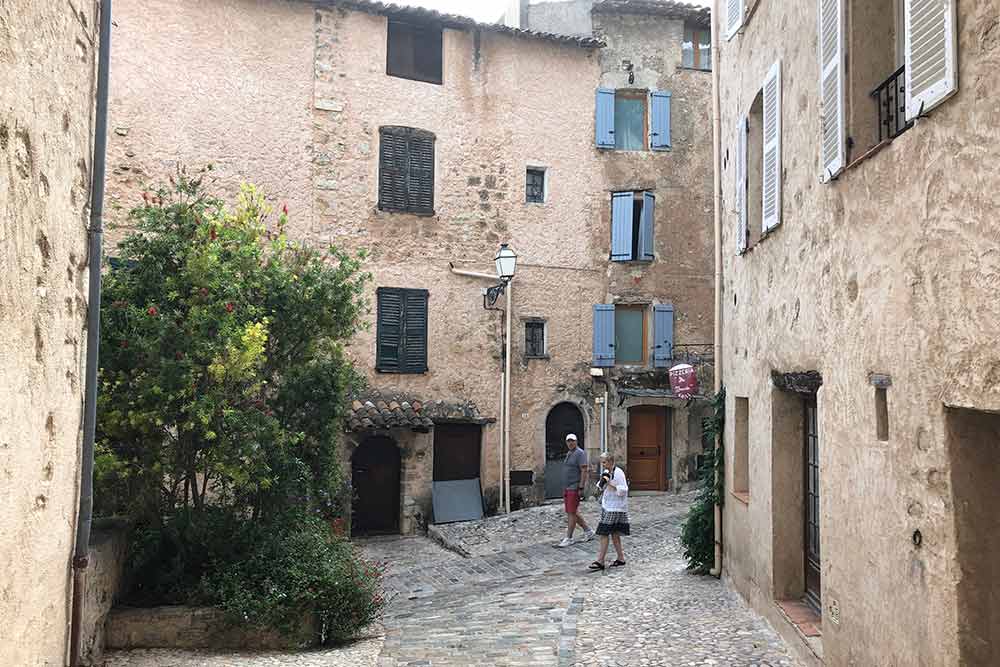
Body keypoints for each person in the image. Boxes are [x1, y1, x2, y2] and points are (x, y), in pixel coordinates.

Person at [588, 452, 629, 571]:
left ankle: (600, 561)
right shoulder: (608, 472)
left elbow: (623, 490)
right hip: (609, 506)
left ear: (611, 462)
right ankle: (621, 558)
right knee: (615, 533)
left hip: (615, 508)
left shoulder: (618, 473)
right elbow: (601, 485)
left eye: (604, 462)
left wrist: (611, 483)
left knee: (604, 532)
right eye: (602, 462)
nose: (603, 465)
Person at [556, 433, 594, 547]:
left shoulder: (580, 453)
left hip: (574, 486)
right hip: (567, 487)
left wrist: (581, 487)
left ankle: (569, 538)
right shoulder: (570, 453)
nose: (570, 443)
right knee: (572, 512)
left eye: (572, 440)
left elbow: (584, 470)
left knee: (571, 513)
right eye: (568, 441)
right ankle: (588, 531)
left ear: (576, 441)